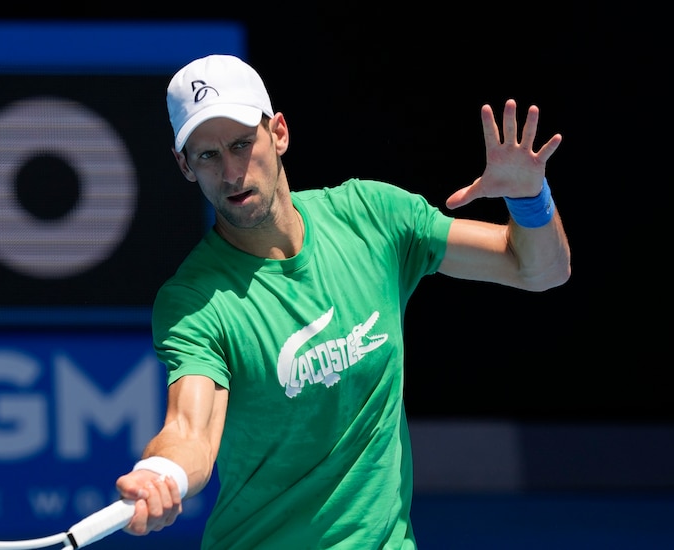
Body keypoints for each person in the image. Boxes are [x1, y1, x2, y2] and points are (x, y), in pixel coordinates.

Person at [112, 54, 570, 548]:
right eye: (207, 155)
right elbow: (190, 432)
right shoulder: (194, 302)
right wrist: (162, 472)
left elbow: (539, 270)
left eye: (243, 144)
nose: (230, 173)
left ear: (279, 133)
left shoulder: (372, 217)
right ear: (185, 165)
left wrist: (530, 198)